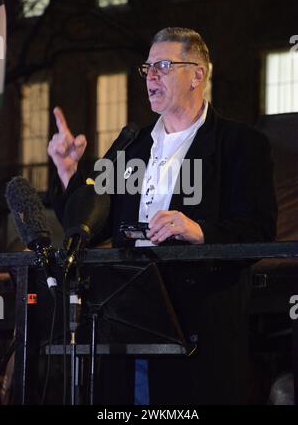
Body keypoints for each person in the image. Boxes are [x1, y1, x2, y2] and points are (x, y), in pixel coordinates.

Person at [48, 27, 277, 404]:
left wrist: (198, 230)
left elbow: (259, 229)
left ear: (199, 75)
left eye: (165, 65)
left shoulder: (240, 144)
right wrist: (68, 172)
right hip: (126, 323)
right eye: (148, 67)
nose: (151, 76)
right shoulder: (131, 146)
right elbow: (89, 222)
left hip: (196, 332)